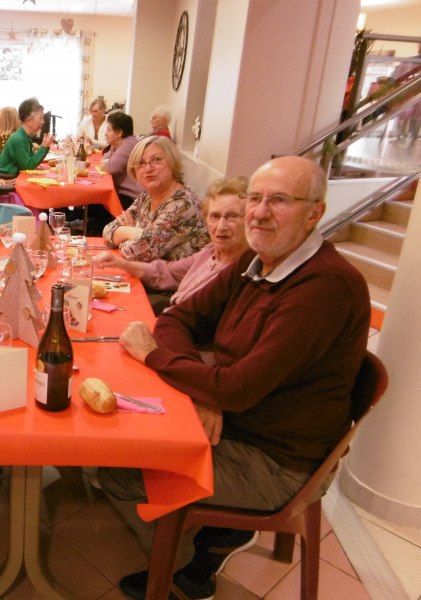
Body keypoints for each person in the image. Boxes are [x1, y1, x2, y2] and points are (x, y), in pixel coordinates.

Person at [98, 156, 370, 600]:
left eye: (279, 200)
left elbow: (239, 388)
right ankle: (210, 537)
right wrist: (207, 393)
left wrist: (158, 360)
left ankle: (201, 551)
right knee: (120, 425)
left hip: (277, 460)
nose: (260, 212)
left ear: (314, 212)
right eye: (256, 199)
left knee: (116, 465)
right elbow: (179, 317)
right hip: (240, 418)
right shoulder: (258, 262)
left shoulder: (324, 287)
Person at [95, 176, 249, 314]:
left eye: (232, 216)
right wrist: (121, 264)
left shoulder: (241, 273)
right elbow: (168, 272)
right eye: (214, 216)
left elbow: (142, 247)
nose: (221, 226)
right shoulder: (211, 251)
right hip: (171, 315)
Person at [103, 135, 209, 262]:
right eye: (141, 163)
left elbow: (138, 252)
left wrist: (126, 235)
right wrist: (133, 232)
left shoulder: (183, 205)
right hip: (147, 274)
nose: (148, 168)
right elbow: (108, 230)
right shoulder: (146, 197)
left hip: (175, 280)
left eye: (157, 159)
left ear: (172, 162)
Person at [0, 97, 55, 177]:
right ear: (29, 120)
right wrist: (43, 147)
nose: (43, 122)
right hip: (4, 180)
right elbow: (28, 166)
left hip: (11, 177)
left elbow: (31, 161)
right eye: (40, 118)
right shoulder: (18, 139)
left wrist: (45, 147)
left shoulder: (24, 136)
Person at [101, 111, 144, 209]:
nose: (105, 134)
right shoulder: (118, 144)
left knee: (96, 199)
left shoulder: (128, 144)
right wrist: (108, 161)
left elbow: (111, 168)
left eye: (108, 130)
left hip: (132, 198)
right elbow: (104, 158)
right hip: (123, 193)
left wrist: (107, 163)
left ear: (119, 133)